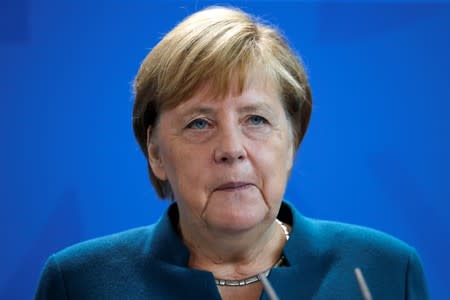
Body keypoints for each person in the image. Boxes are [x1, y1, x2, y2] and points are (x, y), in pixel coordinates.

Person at [35, 6, 429, 300]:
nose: (231, 149)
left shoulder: (388, 270)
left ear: (292, 141)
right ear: (156, 153)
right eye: (199, 123)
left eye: (255, 119)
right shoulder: (79, 282)